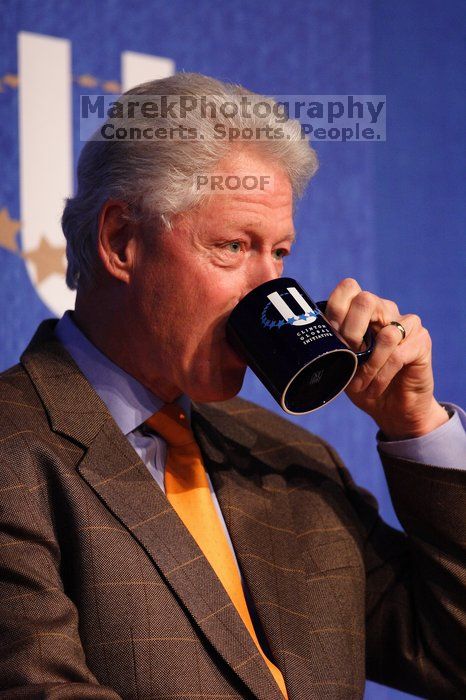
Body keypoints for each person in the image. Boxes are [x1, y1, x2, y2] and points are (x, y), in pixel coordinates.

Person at [0, 73, 465, 700]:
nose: (271, 293)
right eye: (232, 246)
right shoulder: (13, 445)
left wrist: (418, 428)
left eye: (279, 253)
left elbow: (452, 656)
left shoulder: (290, 457)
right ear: (119, 241)